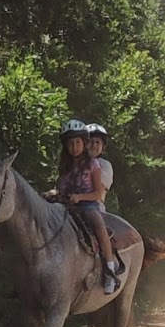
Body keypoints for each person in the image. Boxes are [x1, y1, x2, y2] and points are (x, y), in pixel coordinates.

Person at [55, 119, 122, 294]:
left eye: (78, 142)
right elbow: (60, 188)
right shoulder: (65, 166)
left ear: (83, 144)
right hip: (67, 207)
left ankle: (109, 269)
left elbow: (98, 193)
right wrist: (51, 194)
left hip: (88, 205)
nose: (74, 147)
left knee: (98, 224)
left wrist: (79, 197)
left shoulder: (94, 165)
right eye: (70, 143)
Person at [87, 123, 113, 206]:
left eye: (97, 142)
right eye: (90, 141)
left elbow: (97, 189)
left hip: (94, 205)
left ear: (102, 147)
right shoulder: (73, 163)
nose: (94, 145)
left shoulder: (105, 165)